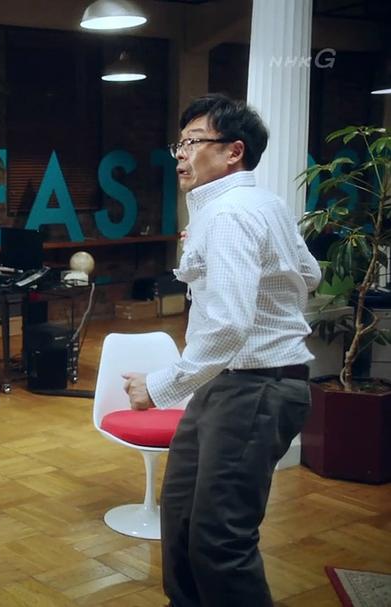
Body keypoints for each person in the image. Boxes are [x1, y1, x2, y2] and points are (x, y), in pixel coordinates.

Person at [122, 94, 322, 606]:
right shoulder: (262, 205)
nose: (181, 155)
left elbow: (230, 324)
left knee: (219, 539)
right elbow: (310, 274)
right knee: (181, 516)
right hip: (229, 382)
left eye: (193, 142)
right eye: (179, 143)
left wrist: (158, 388)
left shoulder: (230, 214)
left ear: (234, 151)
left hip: (255, 387)